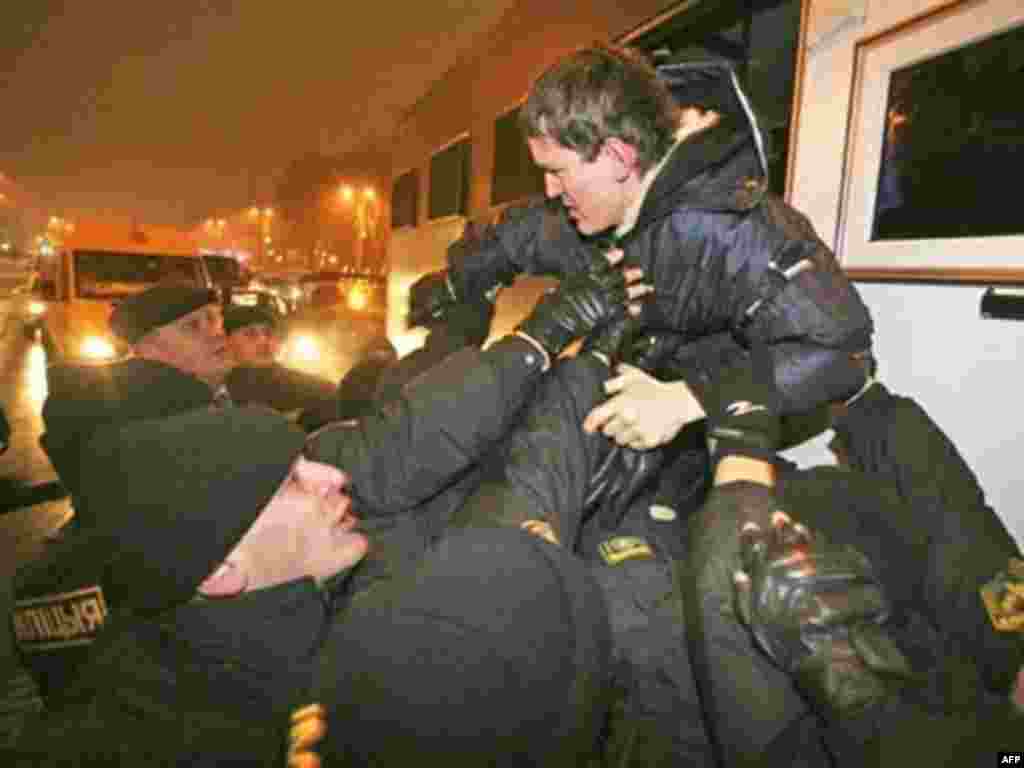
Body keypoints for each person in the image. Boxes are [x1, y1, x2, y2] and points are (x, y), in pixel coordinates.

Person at [12, 251, 648, 715]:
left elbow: (391, 439)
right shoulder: (347, 677)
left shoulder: (238, 587)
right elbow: (410, 464)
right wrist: (553, 351)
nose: (220, 338)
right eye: (192, 328)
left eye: (216, 321)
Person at [7, 406, 613, 767]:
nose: (333, 476)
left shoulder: (173, 659)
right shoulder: (235, 737)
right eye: (292, 483)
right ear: (220, 574)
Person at [418, 44, 872, 458]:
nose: (550, 191)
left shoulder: (736, 231)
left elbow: (843, 355)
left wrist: (686, 400)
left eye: (557, 171)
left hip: (707, 439)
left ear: (618, 157)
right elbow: (512, 237)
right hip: (627, 413)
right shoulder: (588, 210)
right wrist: (452, 284)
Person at [681, 350, 1024, 766]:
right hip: (967, 675)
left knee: (754, 571)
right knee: (971, 568)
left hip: (882, 723)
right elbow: (958, 521)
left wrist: (741, 444)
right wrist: (861, 397)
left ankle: (703, 462)